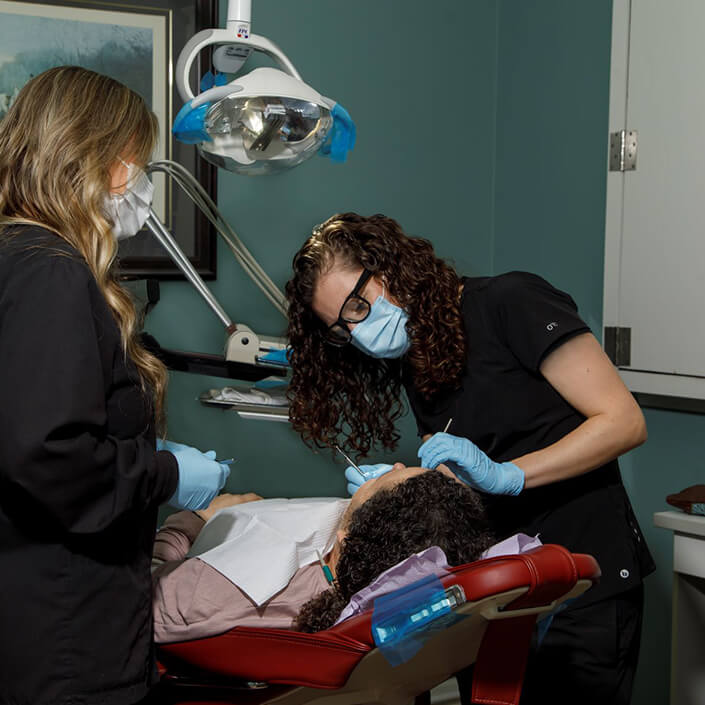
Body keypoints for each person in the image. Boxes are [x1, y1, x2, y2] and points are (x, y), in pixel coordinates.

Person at [284, 212, 655, 705]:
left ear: (391, 267)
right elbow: (466, 471)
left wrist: (510, 475)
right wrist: (407, 484)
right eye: (341, 328)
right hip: (495, 595)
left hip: (582, 579)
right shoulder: (420, 358)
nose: (357, 331)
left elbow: (624, 421)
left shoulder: (510, 301)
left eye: (357, 305)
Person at [0, 66, 229, 705]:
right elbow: (47, 455)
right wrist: (165, 473)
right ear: (104, 161)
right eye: (143, 163)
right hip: (66, 640)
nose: (145, 183)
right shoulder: (48, 271)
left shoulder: (15, 259)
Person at [152, 466, 495, 642]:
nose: (393, 464)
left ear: (346, 540)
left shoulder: (225, 588)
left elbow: (139, 600)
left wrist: (194, 520)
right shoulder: (375, 582)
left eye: (389, 477)